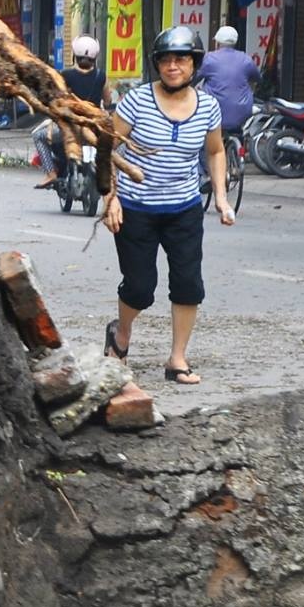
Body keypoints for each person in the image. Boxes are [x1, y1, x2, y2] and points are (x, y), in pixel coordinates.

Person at [103, 25, 235, 387]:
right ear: (156, 65)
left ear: (194, 64)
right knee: (140, 287)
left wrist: (221, 198)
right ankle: (121, 333)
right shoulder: (137, 101)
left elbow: (215, 150)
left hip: (184, 208)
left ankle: (177, 359)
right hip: (136, 207)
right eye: (165, 60)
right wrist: (110, 198)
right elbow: (109, 147)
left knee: (189, 283)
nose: (172, 66)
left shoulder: (208, 107)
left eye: (181, 59)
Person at [37, 35, 114, 189]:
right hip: (94, 128)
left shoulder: (64, 75)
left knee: (38, 136)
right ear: (95, 57)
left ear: (74, 55)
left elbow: (56, 100)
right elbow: (108, 101)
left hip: (69, 127)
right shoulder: (101, 76)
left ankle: (50, 173)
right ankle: (113, 176)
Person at [197, 25, 260, 136]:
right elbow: (257, 78)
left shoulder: (209, 59)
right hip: (243, 114)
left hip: (215, 113)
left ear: (217, 43)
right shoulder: (246, 59)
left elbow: (192, 79)